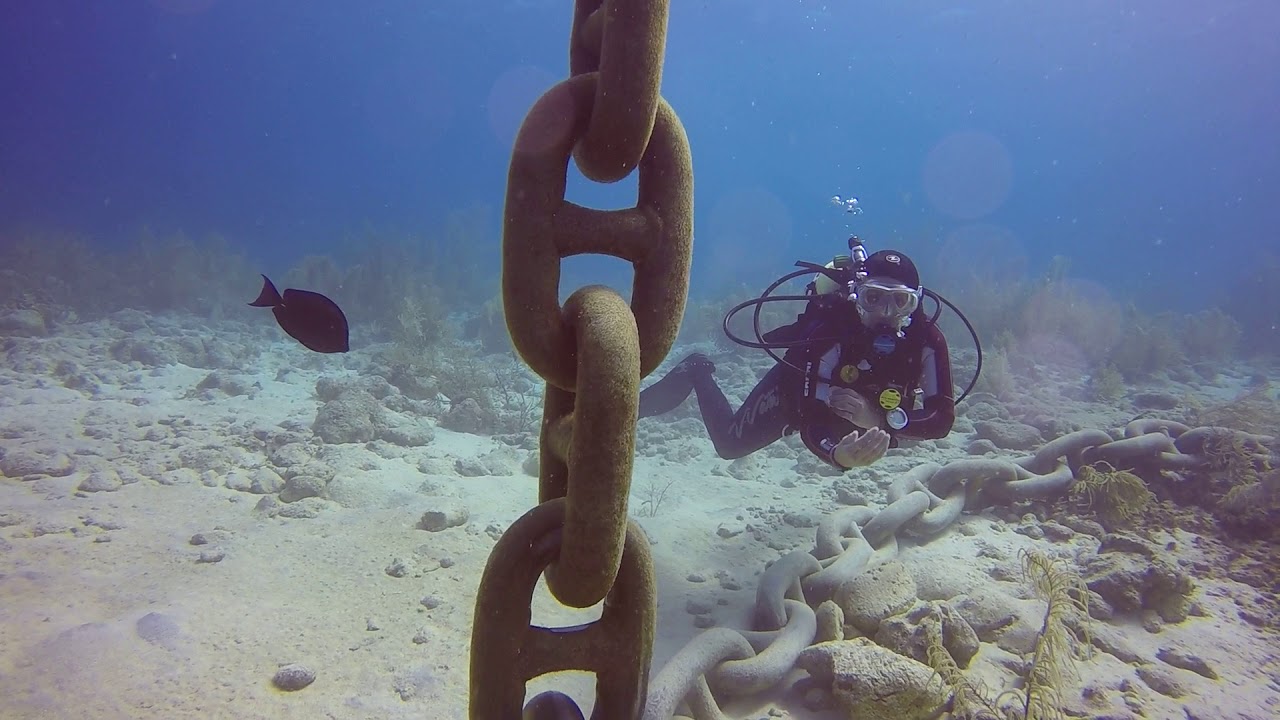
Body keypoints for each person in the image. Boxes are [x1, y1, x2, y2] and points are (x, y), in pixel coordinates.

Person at [638, 247, 956, 470]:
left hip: (865, 417)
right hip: (796, 396)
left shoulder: (927, 341)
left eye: (900, 301)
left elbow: (941, 419)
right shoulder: (832, 333)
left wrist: (874, 419)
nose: (886, 314)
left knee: (890, 434)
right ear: (858, 297)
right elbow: (811, 420)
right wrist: (838, 456)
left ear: (916, 303)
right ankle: (696, 371)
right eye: (874, 298)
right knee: (729, 445)